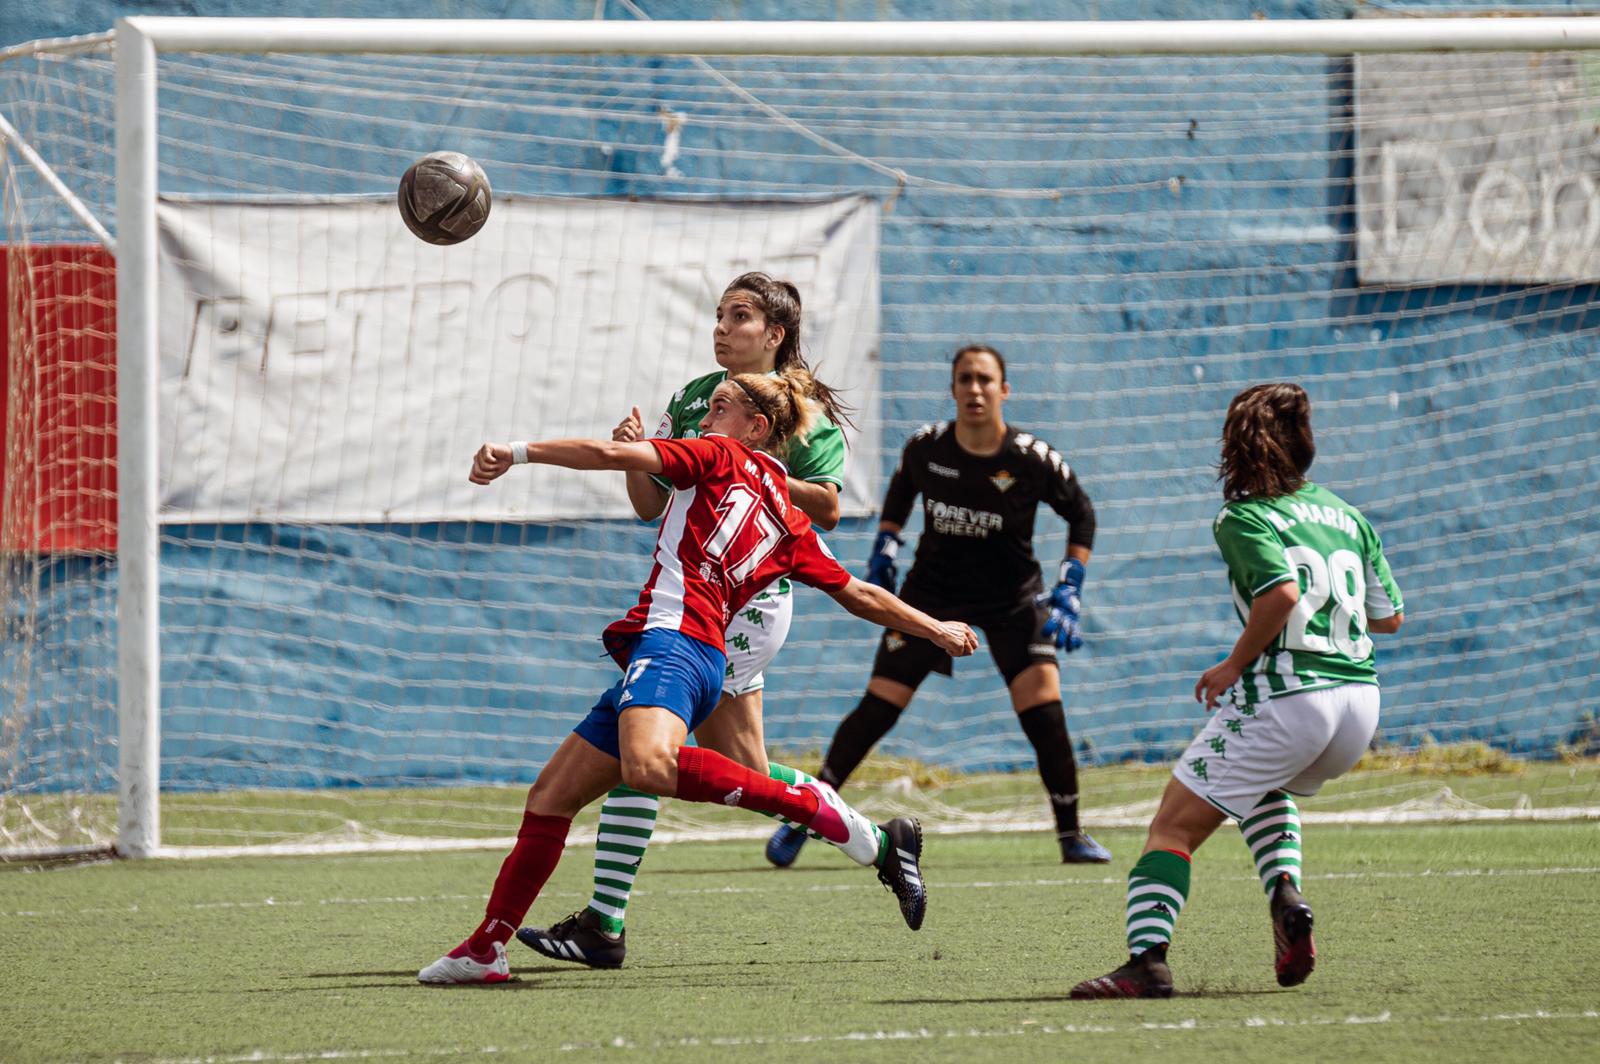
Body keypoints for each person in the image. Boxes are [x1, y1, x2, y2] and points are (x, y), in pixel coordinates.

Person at [418, 368, 977, 985]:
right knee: (551, 797)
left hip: (675, 646)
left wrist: (517, 452)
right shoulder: (789, 517)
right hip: (699, 656)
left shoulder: (715, 455)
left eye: (718, 408)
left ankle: (806, 811)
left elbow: (609, 454)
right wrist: (935, 628)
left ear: (755, 427)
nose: (704, 419)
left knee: (649, 768)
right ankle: (485, 948)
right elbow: (859, 594)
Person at [519, 273, 869, 971]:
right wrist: (637, 455)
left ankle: (605, 922)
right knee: (725, 763)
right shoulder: (697, 398)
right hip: (693, 593)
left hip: (750, 598)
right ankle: (874, 840)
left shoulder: (798, 407)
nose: (720, 327)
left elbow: (827, 507)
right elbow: (652, 503)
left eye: (738, 317)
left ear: (774, 334)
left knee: (641, 738)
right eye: (717, 315)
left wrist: (745, 467)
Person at [1069, 382, 1404, 999]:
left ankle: (1146, 962)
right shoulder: (1348, 515)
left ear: (1239, 449)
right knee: (1262, 784)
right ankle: (1285, 894)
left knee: (1172, 827)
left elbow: (1281, 593)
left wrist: (1232, 665)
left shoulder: (1243, 516)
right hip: (1360, 704)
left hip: (1290, 698)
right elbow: (1389, 618)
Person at [766, 344, 1111, 868]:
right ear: (953, 389)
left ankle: (1071, 835)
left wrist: (1071, 587)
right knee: (877, 708)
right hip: (932, 599)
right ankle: (806, 818)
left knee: (1045, 712)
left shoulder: (1032, 459)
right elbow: (900, 499)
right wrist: (885, 546)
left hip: (1013, 600)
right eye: (965, 379)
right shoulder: (925, 448)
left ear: (1003, 390)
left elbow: (1081, 515)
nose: (975, 389)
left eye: (985, 380)